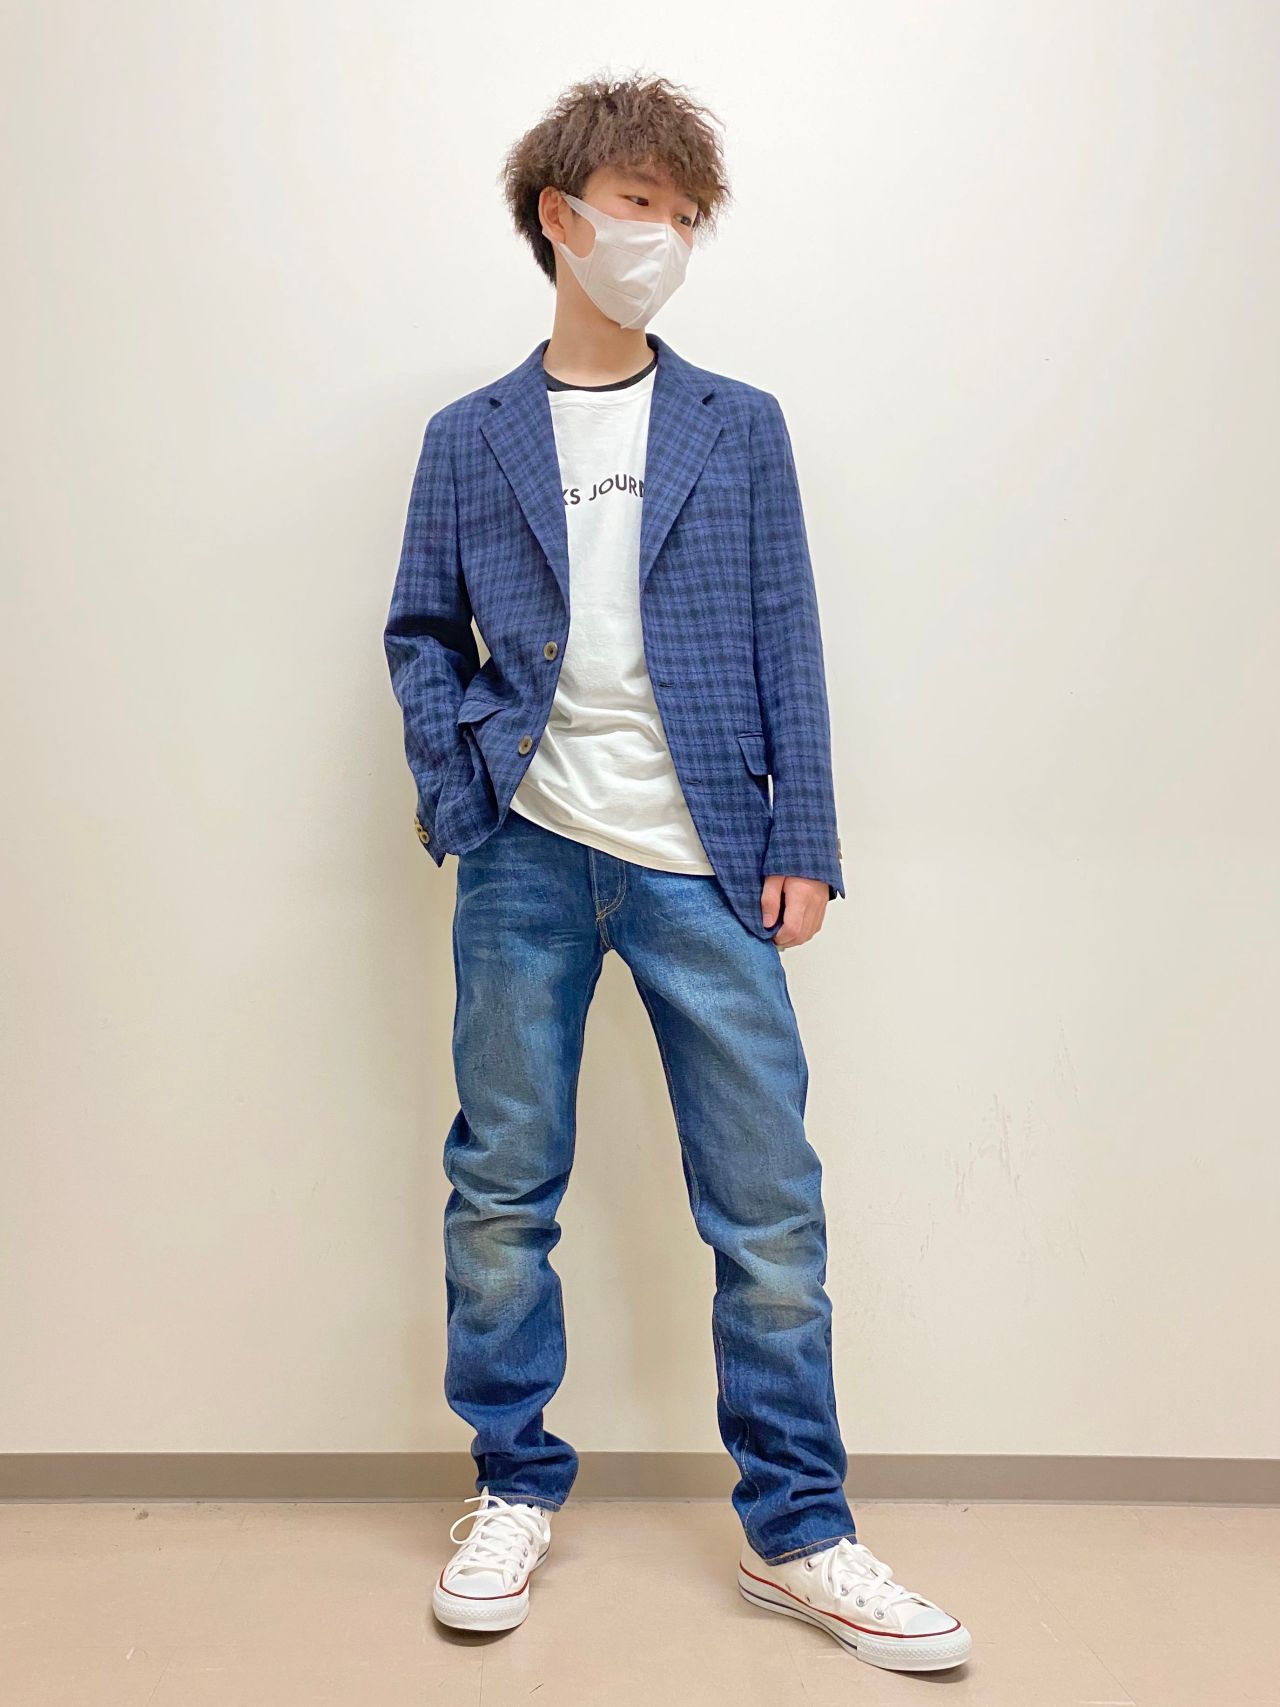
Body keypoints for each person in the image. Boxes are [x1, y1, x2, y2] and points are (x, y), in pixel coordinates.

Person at [383, 72, 971, 1675]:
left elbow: (789, 632)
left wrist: (805, 842)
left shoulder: (738, 425)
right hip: (527, 853)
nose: (666, 234)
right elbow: (421, 631)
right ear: (562, 217)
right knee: (502, 1187)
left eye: (686, 213)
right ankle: (513, 1485)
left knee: (767, 1205)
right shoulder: (469, 438)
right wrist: (463, 790)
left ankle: (800, 1529)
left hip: (707, 857)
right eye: (641, 203)